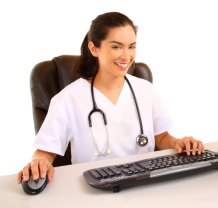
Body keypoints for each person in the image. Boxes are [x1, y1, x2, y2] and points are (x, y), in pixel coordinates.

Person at [17, 12, 204, 184]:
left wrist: (179, 143)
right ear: (94, 48)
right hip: (93, 188)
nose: (126, 56)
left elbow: (161, 137)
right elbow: (45, 151)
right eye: (116, 46)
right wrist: (39, 162)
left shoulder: (145, 90)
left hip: (145, 183)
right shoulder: (68, 99)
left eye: (131, 46)